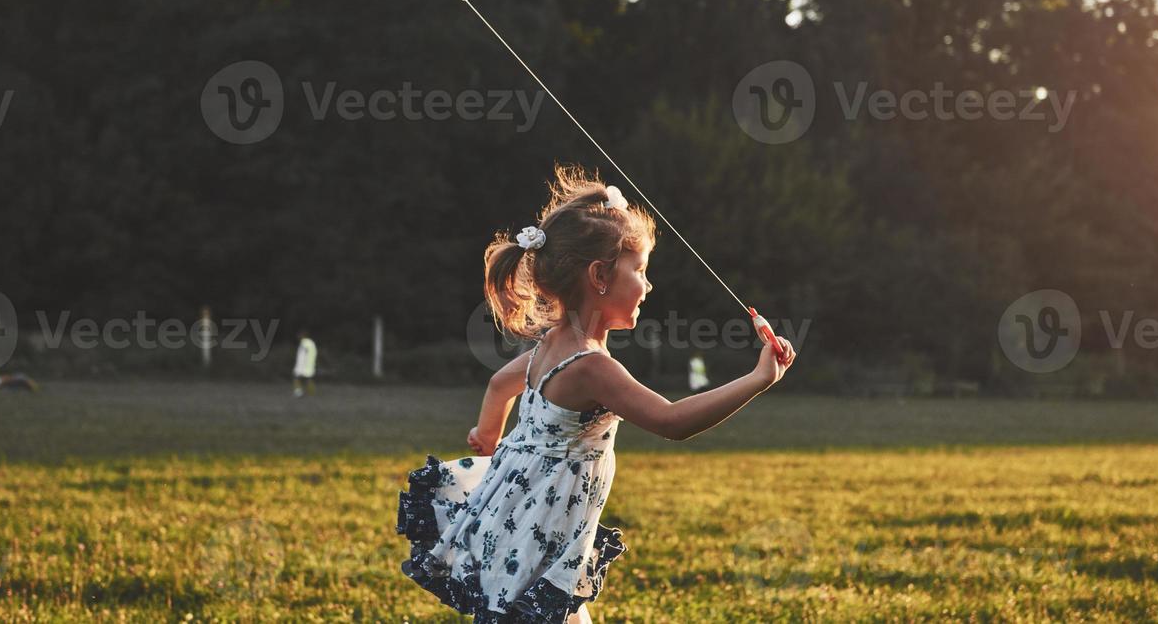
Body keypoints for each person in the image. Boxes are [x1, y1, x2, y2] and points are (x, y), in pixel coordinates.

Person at [395, 164, 795, 623]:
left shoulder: (551, 344)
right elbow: (672, 421)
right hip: (539, 541)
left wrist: (487, 435)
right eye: (640, 270)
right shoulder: (592, 368)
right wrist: (759, 379)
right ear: (599, 277)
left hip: (522, 525)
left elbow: (498, 385)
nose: (648, 285)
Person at [293, 330, 317, 397]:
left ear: (303, 335)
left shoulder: (305, 343)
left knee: (297, 378)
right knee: (307, 379)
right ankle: (311, 392)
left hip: (304, 364)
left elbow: (305, 353)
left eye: (299, 335)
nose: (298, 337)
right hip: (308, 364)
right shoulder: (310, 342)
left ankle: (299, 392)